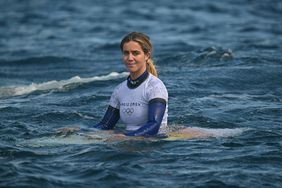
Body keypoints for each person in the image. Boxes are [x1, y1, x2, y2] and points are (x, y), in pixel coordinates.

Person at [94, 32, 168, 136]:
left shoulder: (155, 87)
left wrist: (127, 137)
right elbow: (105, 125)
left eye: (135, 53)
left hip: (153, 144)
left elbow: (154, 125)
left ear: (147, 55)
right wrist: (80, 132)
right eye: (126, 53)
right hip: (128, 142)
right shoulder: (119, 90)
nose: (129, 58)